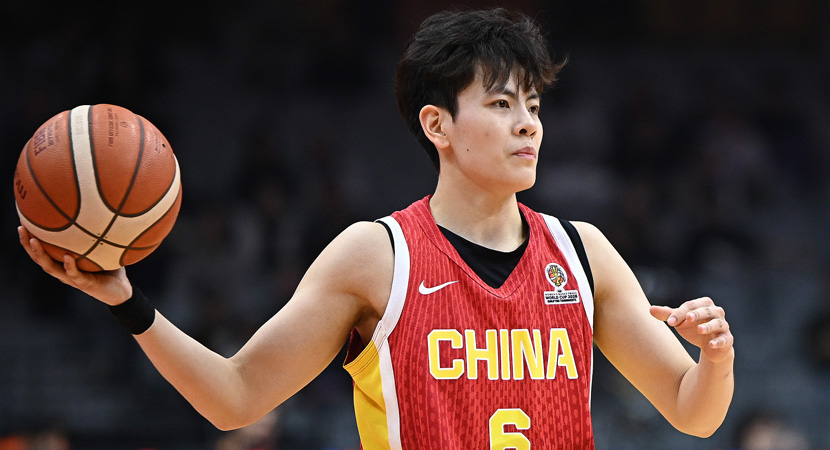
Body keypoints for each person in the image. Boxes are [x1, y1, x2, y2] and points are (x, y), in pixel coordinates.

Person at [17, 8, 734, 449]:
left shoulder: (582, 255)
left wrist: (716, 360)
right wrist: (128, 303)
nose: (528, 124)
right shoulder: (376, 256)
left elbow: (691, 413)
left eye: (534, 107)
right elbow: (235, 398)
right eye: (502, 104)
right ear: (438, 125)